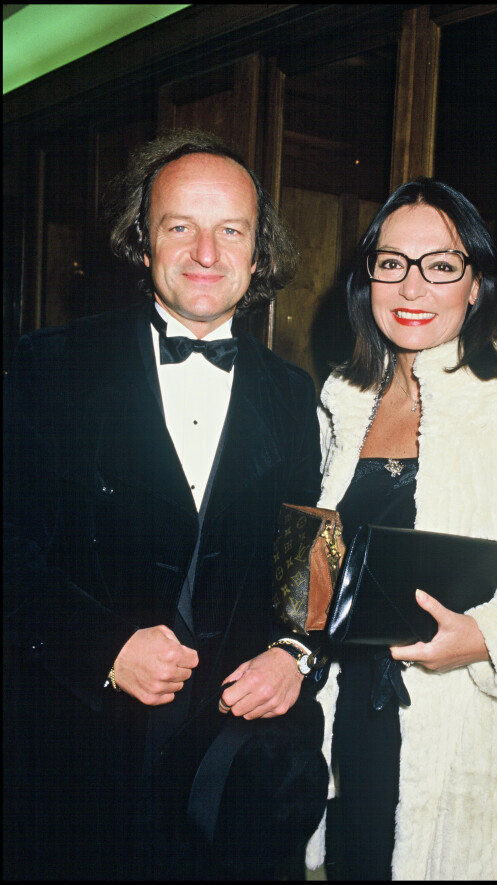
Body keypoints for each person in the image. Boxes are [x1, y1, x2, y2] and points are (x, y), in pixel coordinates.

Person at [3, 129, 328, 881]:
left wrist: (297, 656)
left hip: (238, 771)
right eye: (180, 226)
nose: (206, 252)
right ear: (142, 244)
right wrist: (104, 647)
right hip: (82, 762)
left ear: (258, 254)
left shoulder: (292, 394)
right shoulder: (49, 365)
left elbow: (307, 565)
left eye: (231, 231)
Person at [309, 178, 497, 880]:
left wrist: (489, 639)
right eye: (391, 262)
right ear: (366, 279)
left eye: (441, 265)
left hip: (482, 729)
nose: (412, 286)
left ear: (478, 282)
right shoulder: (343, 397)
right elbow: (322, 557)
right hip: (356, 722)